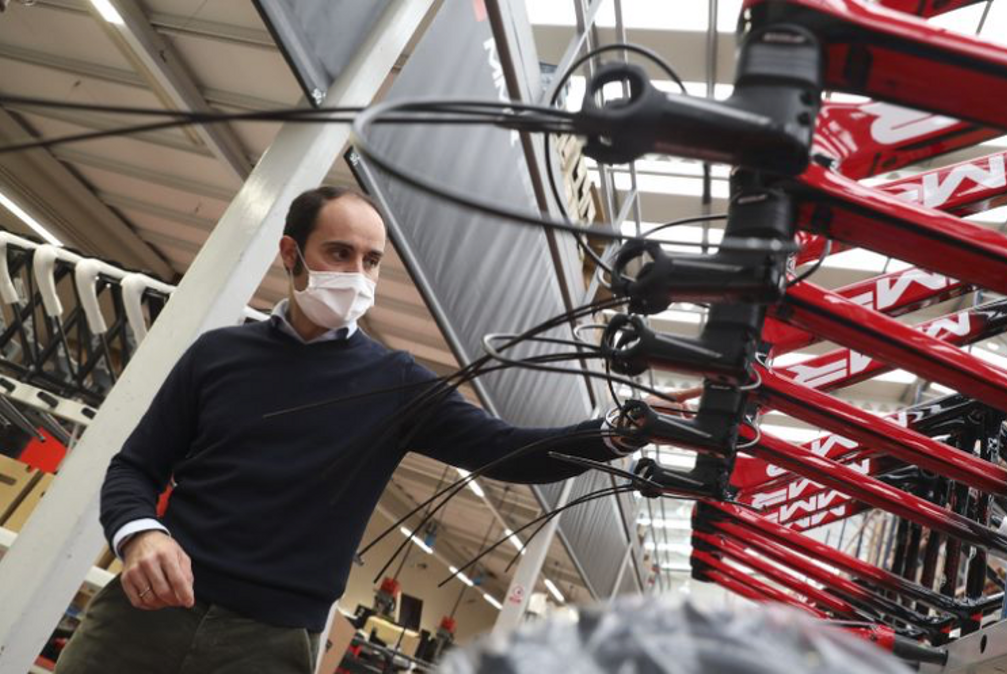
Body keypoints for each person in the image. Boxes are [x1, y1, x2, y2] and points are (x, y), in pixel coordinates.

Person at [55, 186, 634, 674]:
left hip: (267, 645)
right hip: (144, 615)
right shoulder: (218, 355)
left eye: (371, 260)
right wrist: (140, 536)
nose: (357, 274)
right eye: (338, 253)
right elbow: (135, 468)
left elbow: (509, 452)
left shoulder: (398, 384)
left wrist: (618, 431)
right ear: (291, 253)